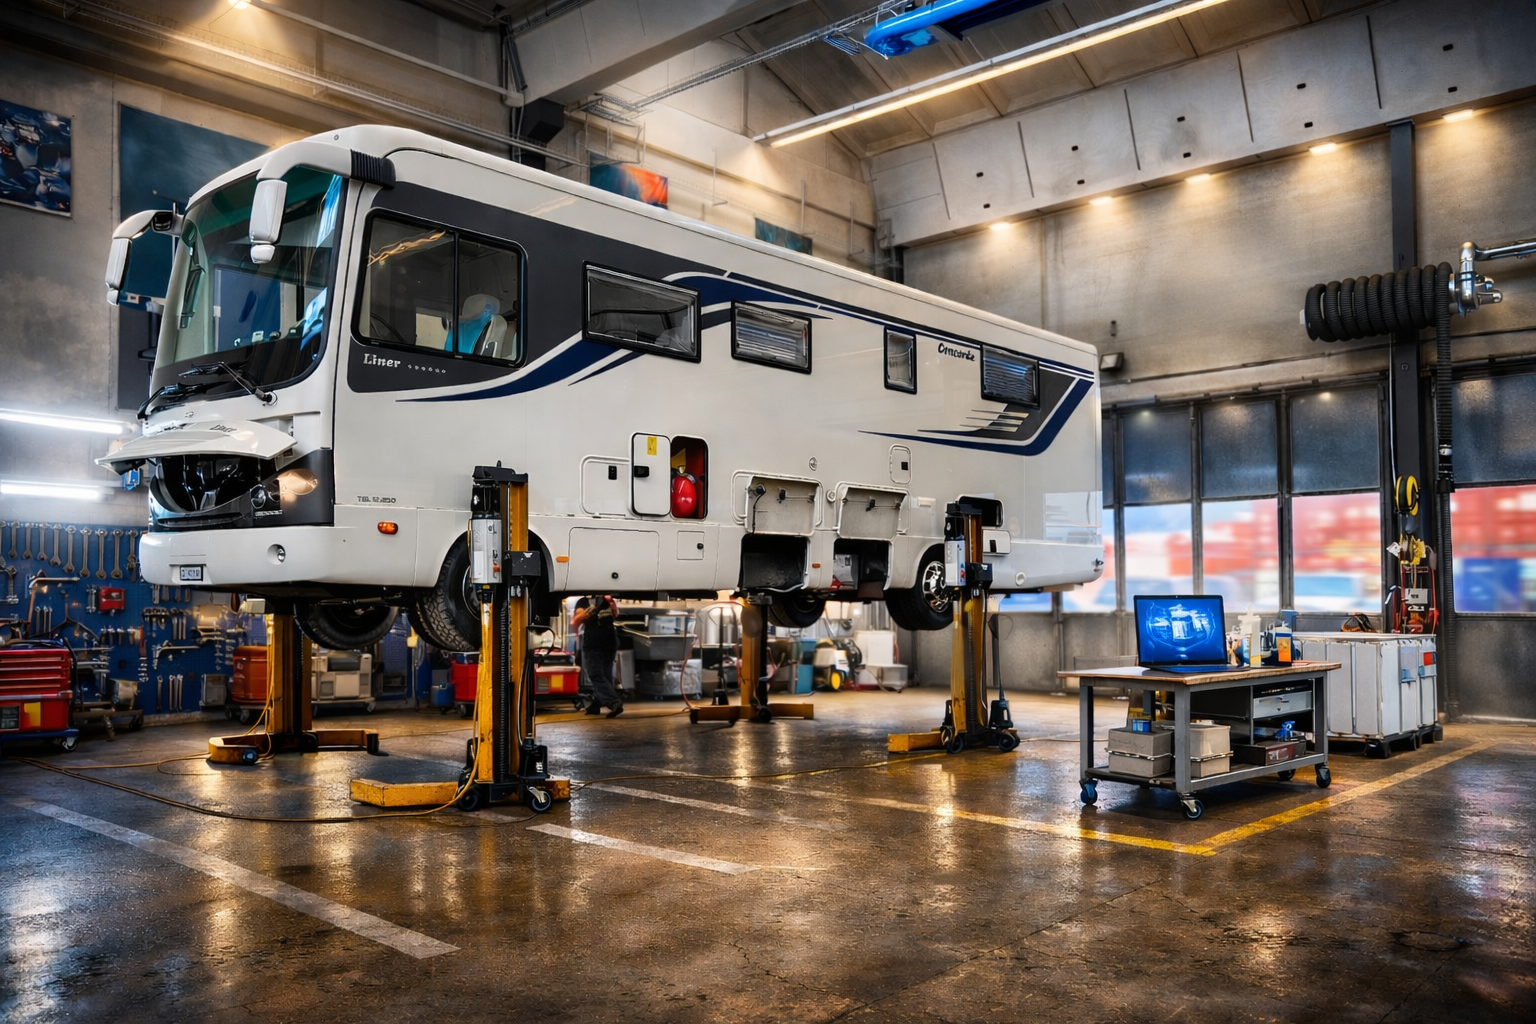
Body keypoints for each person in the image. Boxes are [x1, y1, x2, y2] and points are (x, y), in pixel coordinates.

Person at [572, 594, 623, 717]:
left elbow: (615, 614)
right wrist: (592, 609)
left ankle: (614, 702)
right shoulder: (587, 601)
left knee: (596, 674)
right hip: (606, 640)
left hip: (597, 642)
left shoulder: (598, 600)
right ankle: (596, 704)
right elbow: (577, 619)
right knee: (604, 675)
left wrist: (609, 605)